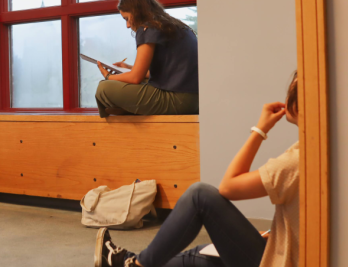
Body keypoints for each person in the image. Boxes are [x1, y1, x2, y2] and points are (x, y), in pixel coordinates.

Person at [94, 72, 300, 267]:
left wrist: (260, 130)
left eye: (295, 85)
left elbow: (228, 187)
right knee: (201, 254)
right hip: (280, 252)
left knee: (200, 196)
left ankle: (136, 265)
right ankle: (129, 262)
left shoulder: (295, 162)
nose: (289, 87)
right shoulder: (310, 153)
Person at [95, 0, 199, 118]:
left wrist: (108, 76)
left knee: (103, 88)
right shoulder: (176, 26)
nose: (127, 25)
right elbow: (168, 71)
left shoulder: (148, 28)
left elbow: (135, 78)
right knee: (128, 83)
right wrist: (129, 68)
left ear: (136, 12)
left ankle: (117, 113)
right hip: (196, 101)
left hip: (177, 99)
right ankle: (128, 109)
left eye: (127, 18)